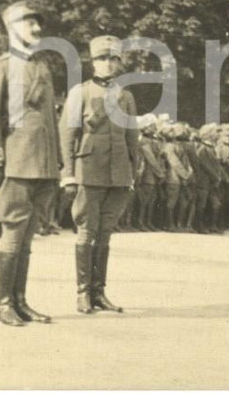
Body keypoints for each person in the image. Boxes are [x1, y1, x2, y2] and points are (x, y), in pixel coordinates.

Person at [0, 1, 61, 326]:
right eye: (29, 24)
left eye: (38, 24)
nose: (37, 30)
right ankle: (4, 304)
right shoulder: (0, 68)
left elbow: (49, 122)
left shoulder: (41, 68)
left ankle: (21, 301)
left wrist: (56, 165)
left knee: (26, 238)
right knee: (12, 234)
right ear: (11, 28)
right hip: (14, 163)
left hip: (41, 165)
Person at [60, 35, 140, 314]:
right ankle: (82, 293)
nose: (107, 64)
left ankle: (99, 292)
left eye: (113, 58)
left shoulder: (126, 96)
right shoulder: (80, 93)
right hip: (88, 170)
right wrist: (68, 174)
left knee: (105, 234)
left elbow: (133, 138)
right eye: (102, 58)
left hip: (118, 173)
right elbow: (67, 136)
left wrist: (132, 174)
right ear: (92, 62)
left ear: (119, 63)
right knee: (86, 232)